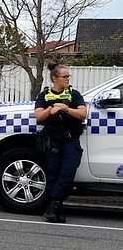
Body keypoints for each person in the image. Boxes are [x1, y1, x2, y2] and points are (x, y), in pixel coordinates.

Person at [34, 63, 86, 223]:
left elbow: (83, 113)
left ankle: (54, 204)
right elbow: (39, 117)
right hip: (52, 140)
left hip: (70, 139)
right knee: (53, 174)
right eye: (64, 77)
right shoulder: (45, 95)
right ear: (54, 78)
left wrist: (65, 109)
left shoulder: (74, 94)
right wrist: (51, 109)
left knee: (68, 173)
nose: (67, 79)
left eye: (68, 76)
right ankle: (56, 208)